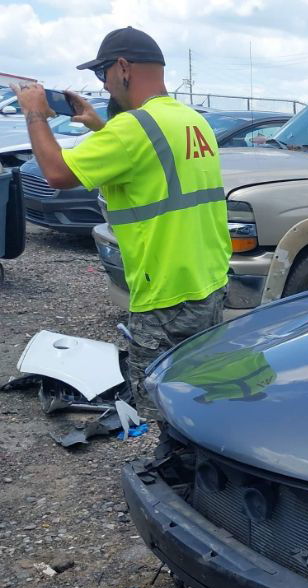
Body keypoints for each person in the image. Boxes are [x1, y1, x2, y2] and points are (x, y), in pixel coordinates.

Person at [11, 27, 230, 419]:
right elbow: (148, 162)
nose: (104, 84)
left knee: (160, 407)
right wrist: (99, 125)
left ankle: (176, 475)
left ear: (124, 68)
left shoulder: (133, 128)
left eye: (103, 74)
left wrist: (35, 114)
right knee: (198, 392)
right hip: (207, 281)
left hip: (166, 295)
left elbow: (57, 173)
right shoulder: (191, 121)